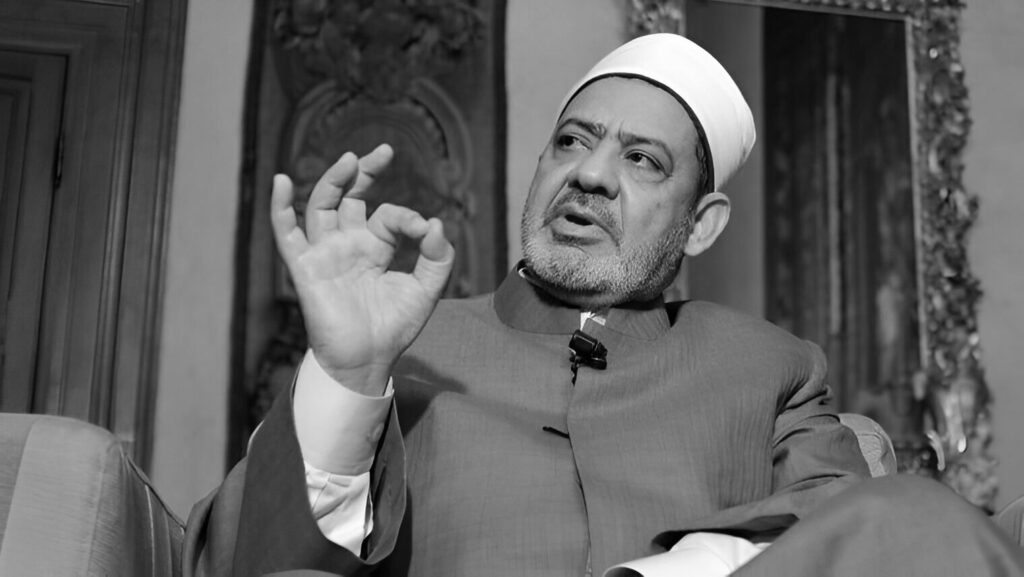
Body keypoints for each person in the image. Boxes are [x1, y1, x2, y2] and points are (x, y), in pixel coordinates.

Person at [182, 34, 1024, 576]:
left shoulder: (772, 366)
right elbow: (242, 564)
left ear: (701, 225)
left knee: (923, 517)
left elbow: (845, 522)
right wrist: (348, 373)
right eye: (572, 141)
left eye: (642, 159)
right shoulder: (410, 341)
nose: (589, 173)